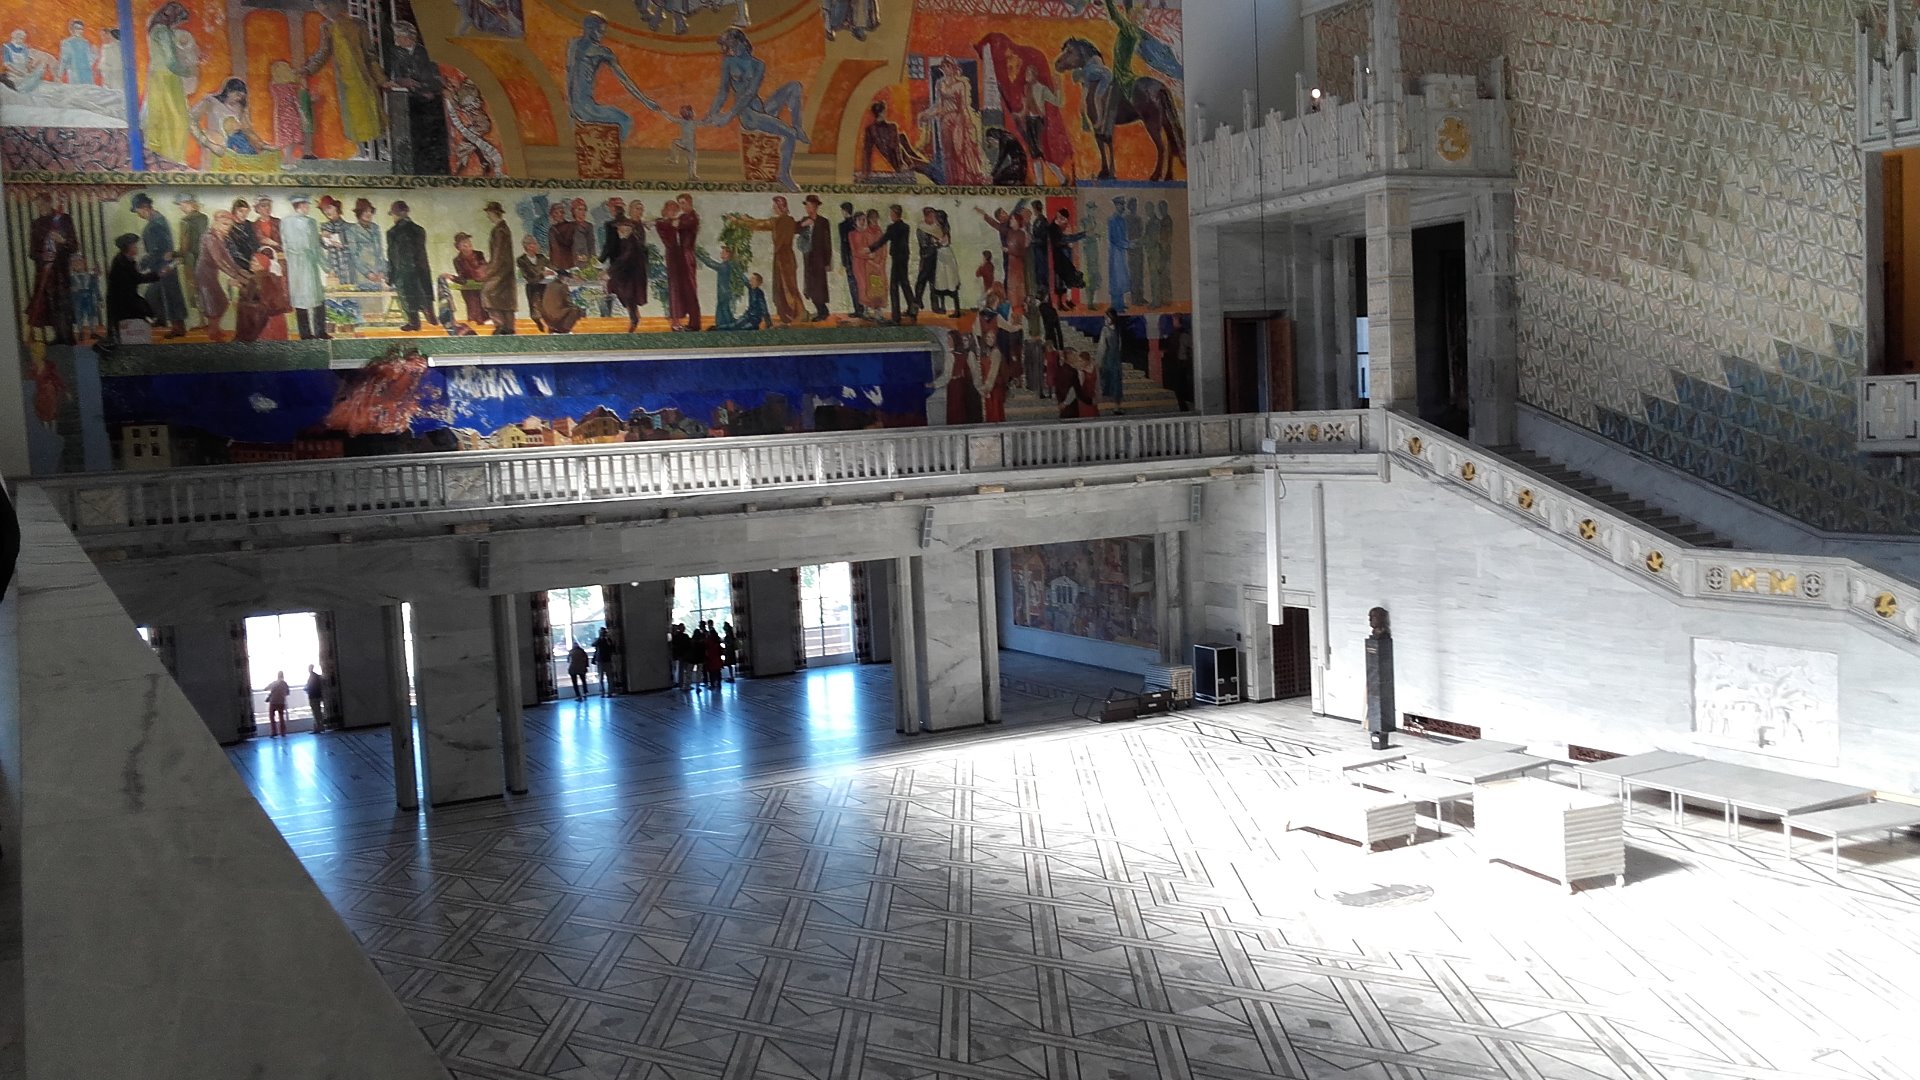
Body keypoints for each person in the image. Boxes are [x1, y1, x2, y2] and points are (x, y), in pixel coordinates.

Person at [703, 28, 809, 192]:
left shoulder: (758, 64)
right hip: (749, 116)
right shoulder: (729, 63)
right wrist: (713, 113)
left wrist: (728, 116)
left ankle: (798, 126)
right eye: (726, 46)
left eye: (729, 44)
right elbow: (723, 91)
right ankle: (784, 175)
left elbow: (751, 92)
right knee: (789, 134)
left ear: (740, 41)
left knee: (795, 86)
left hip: (761, 109)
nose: (728, 49)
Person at [302, 0, 389, 154]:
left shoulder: (358, 24)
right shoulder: (327, 27)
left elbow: (369, 53)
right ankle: (363, 150)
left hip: (363, 75)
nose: (323, 11)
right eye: (319, 8)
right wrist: (308, 69)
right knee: (353, 115)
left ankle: (379, 148)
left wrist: (382, 79)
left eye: (325, 6)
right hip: (345, 80)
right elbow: (324, 52)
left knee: (371, 111)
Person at [566, 12, 660, 141]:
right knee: (625, 120)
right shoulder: (594, 50)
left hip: (578, 106)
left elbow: (570, 75)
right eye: (600, 31)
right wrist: (645, 101)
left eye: (603, 32)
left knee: (619, 122)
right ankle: (608, 148)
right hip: (586, 108)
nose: (602, 35)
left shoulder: (577, 45)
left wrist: (571, 108)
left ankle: (602, 145)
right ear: (589, 28)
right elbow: (624, 80)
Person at [385, 21, 449, 175]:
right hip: (411, 102)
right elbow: (396, 76)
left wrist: (421, 87)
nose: (396, 40)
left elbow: (436, 79)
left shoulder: (425, 53)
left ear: (409, 37)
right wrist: (402, 81)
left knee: (433, 140)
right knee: (416, 140)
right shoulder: (396, 53)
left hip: (430, 102)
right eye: (396, 36)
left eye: (399, 36)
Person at [141, 3, 199, 168]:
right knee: (178, 121)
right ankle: (172, 160)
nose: (177, 25)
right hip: (167, 78)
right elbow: (171, 62)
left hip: (158, 77)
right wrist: (189, 71)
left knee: (160, 118)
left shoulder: (155, 30)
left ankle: (161, 160)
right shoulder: (163, 32)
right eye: (178, 21)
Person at [734, 196, 801, 325]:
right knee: (786, 287)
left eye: (775, 206)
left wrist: (739, 221)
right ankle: (790, 316)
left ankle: (793, 316)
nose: (773, 208)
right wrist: (747, 220)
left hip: (783, 258)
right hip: (786, 257)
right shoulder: (789, 221)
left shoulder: (778, 221)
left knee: (786, 288)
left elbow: (760, 224)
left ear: (780, 207)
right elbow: (759, 223)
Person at [129, 194, 188, 338]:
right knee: (156, 294)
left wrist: (142, 265)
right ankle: (161, 319)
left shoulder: (155, 224)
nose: (138, 214)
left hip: (164, 266)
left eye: (138, 211)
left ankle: (178, 328)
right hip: (161, 264)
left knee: (171, 295)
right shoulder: (158, 220)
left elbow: (157, 250)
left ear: (144, 207)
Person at [26, 194, 77, 346]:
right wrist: (42, 256)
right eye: (37, 205)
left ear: (49, 203)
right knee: (50, 305)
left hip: (61, 271)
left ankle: (68, 337)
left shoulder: (64, 219)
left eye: (42, 204)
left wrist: (62, 240)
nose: (40, 208)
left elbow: (73, 246)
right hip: (45, 272)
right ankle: (58, 336)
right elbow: (32, 252)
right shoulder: (36, 224)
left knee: (63, 303)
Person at [105, 233, 174, 342]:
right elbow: (136, 279)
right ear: (128, 247)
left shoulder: (124, 260)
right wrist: (159, 274)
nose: (136, 247)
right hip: (122, 304)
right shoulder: (122, 263)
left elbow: (136, 278)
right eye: (134, 245)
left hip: (125, 302)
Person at [281, 194, 328, 339]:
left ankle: (318, 332)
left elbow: (315, 246)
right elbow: (287, 244)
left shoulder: (310, 222)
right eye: (306, 205)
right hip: (299, 265)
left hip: (307, 264)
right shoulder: (288, 222)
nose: (308, 208)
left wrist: (326, 266)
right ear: (300, 206)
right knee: (303, 300)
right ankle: (308, 334)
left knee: (316, 299)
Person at [387, 201, 436, 331]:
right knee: (424, 292)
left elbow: (392, 256)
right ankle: (430, 315)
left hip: (404, 270)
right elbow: (420, 252)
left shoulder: (393, 232)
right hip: (421, 268)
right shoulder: (419, 230)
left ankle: (415, 323)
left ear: (395, 214)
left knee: (408, 297)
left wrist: (390, 276)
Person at [868, 204, 914, 323]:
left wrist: (871, 248)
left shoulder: (892, 228)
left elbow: (883, 240)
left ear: (894, 214)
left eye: (891, 213)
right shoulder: (906, 227)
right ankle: (913, 310)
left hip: (897, 258)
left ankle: (896, 317)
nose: (890, 215)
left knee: (894, 287)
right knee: (905, 283)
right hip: (904, 257)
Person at [234, 247, 291, 342]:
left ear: (262, 265)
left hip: (263, 321)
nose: (251, 263)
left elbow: (249, 298)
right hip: (277, 317)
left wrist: (240, 289)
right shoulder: (272, 275)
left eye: (255, 262)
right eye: (252, 261)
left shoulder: (255, 279)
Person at [605, 216, 650, 333]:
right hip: (628, 274)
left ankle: (634, 319)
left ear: (629, 229)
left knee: (629, 296)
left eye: (622, 228)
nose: (619, 230)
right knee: (627, 296)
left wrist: (609, 272)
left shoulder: (631, 242)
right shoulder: (626, 240)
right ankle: (634, 318)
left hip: (632, 275)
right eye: (618, 228)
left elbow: (624, 259)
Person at [481, 201, 518, 334]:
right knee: (505, 300)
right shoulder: (503, 228)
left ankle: (501, 325)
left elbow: (498, 254)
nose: (488, 216)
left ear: (494, 213)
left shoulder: (499, 230)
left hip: (500, 271)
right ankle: (508, 328)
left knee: (487, 293)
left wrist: (489, 272)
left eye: (489, 213)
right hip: (505, 271)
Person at [446, 232, 490, 324]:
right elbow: (462, 279)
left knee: (486, 315)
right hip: (469, 290)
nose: (467, 244)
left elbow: (485, 270)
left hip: (483, 287)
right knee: (474, 315)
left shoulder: (479, 254)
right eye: (463, 243)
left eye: (468, 241)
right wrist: (452, 277)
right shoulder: (457, 260)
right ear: (458, 247)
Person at [837, 203, 863, 319]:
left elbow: (844, 245)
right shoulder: (856, 223)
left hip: (849, 258)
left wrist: (844, 260)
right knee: (859, 283)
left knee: (853, 284)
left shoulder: (842, 225)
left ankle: (858, 309)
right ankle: (860, 309)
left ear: (845, 211)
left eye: (842, 210)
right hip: (857, 257)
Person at [1097, 308, 1127, 411]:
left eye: (1107, 317)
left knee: (1117, 381)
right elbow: (1102, 347)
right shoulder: (1105, 330)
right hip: (1108, 358)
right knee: (1108, 380)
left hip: (1116, 358)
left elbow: (1120, 344)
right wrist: (1099, 362)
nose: (1105, 319)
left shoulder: (1117, 329)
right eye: (1105, 317)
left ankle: (1117, 406)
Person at [264, 671, 291, 738]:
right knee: (281, 718)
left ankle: (274, 732)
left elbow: (265, 689)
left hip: (273, 702)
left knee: (272, 717)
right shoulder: (285, 684)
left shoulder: (274, 683)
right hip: (281, 702)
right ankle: (283, 732)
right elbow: (288, 693)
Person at [592, 627, 615, 697]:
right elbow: (593, 644)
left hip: (605, 660)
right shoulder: (598, 640)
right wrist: (600, 638)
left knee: (608, 677)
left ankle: (609, 692)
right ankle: (603, 692)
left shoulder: (608, 640)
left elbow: (612, 648)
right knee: (601, 677)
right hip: (601, 660)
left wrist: (606, 639)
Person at [304, 665, 328, 731]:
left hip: (313, 696)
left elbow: (311, 687)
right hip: (318, 696)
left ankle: (318, 727)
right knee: (319, 712)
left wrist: (307, 689)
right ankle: (321, 726)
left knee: (315, 712)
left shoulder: (311, 677)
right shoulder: (317, 676)